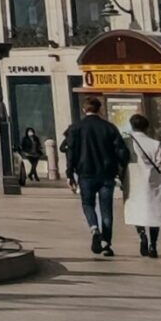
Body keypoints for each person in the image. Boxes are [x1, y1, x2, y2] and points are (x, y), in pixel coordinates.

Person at [60, 99, 129, 258]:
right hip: (106, 174)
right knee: (106, 209)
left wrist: (70, 173)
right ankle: (107, 244)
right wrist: (121, 168)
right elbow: (121, 151)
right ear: (100, 109)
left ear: (84, 109)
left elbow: (68, 151)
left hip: (85, 173)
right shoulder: (109, 128)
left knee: (87, 204)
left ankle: (94, 228)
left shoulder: (76, 128)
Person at [121, 113, 161, 258]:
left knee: (138, 211)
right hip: (153, 181)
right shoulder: (155, 144)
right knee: (154, 213)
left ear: (131, 125)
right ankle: (153, 244)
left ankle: (142, 234)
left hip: (134, 179)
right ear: (146, 127)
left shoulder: (128, 142)